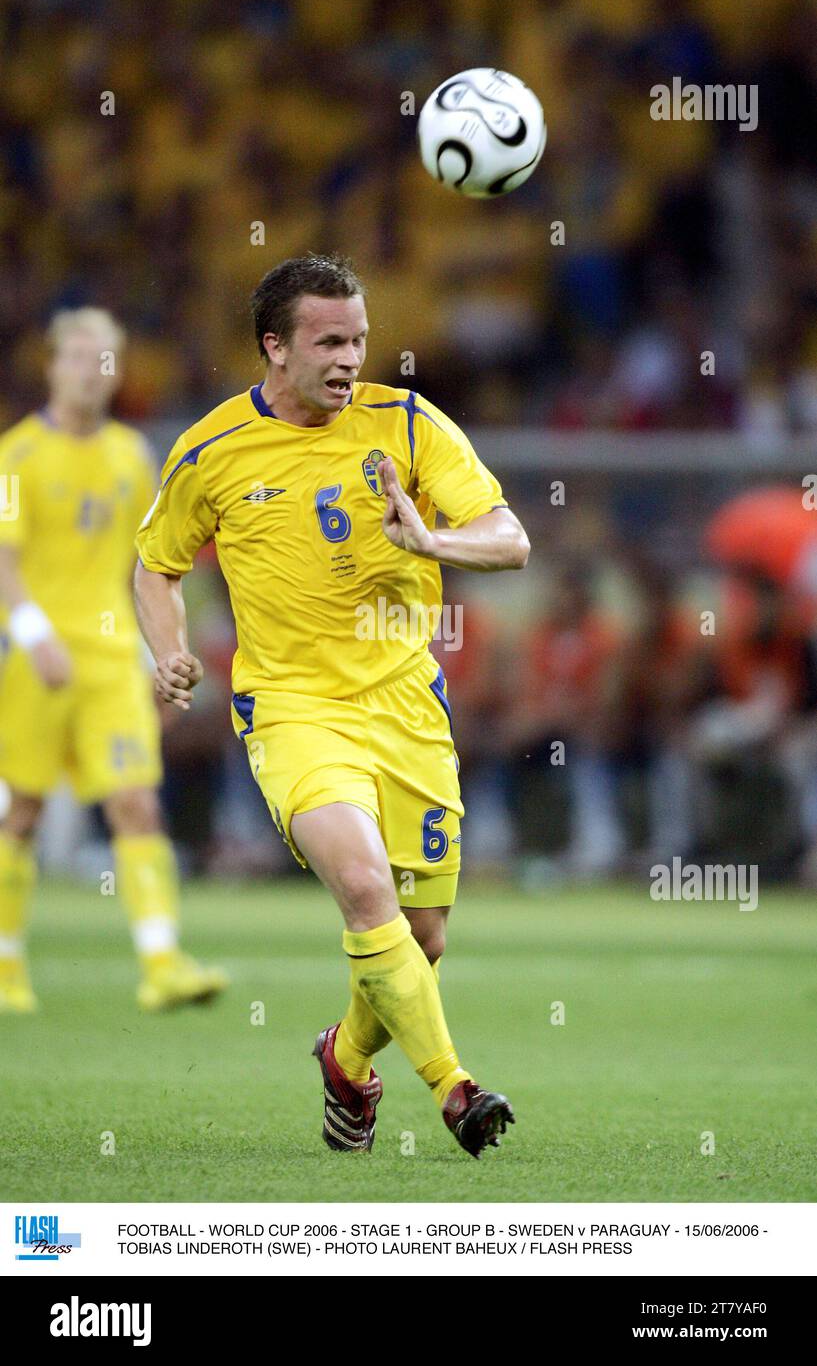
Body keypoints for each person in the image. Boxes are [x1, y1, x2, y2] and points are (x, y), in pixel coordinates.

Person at [133, 254, 530, 1158]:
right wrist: (172, 652)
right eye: (329, 341)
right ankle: (454, 1089)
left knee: (419, 941)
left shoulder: (408, 422)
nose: (351, 357)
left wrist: (432, 539)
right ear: (275, 346)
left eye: (358, 338)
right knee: (363, 888)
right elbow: (154, 563)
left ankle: (345, 1062)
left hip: (406, 707)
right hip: (292, 706)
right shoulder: (211, 451)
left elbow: (509, 539)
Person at [0, 308, 227, 1013]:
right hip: (32, 659)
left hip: (111, 663)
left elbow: (152, 565)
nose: (91, 373)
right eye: (78, 358)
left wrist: (164, 654)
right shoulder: (15, 455)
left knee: (134, 802)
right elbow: (3, 557)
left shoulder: (133, 456)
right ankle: (7, 968)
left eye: (105, 361)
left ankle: (161, 962)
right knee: (23, 812)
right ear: (53, 365)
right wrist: (34, 631)